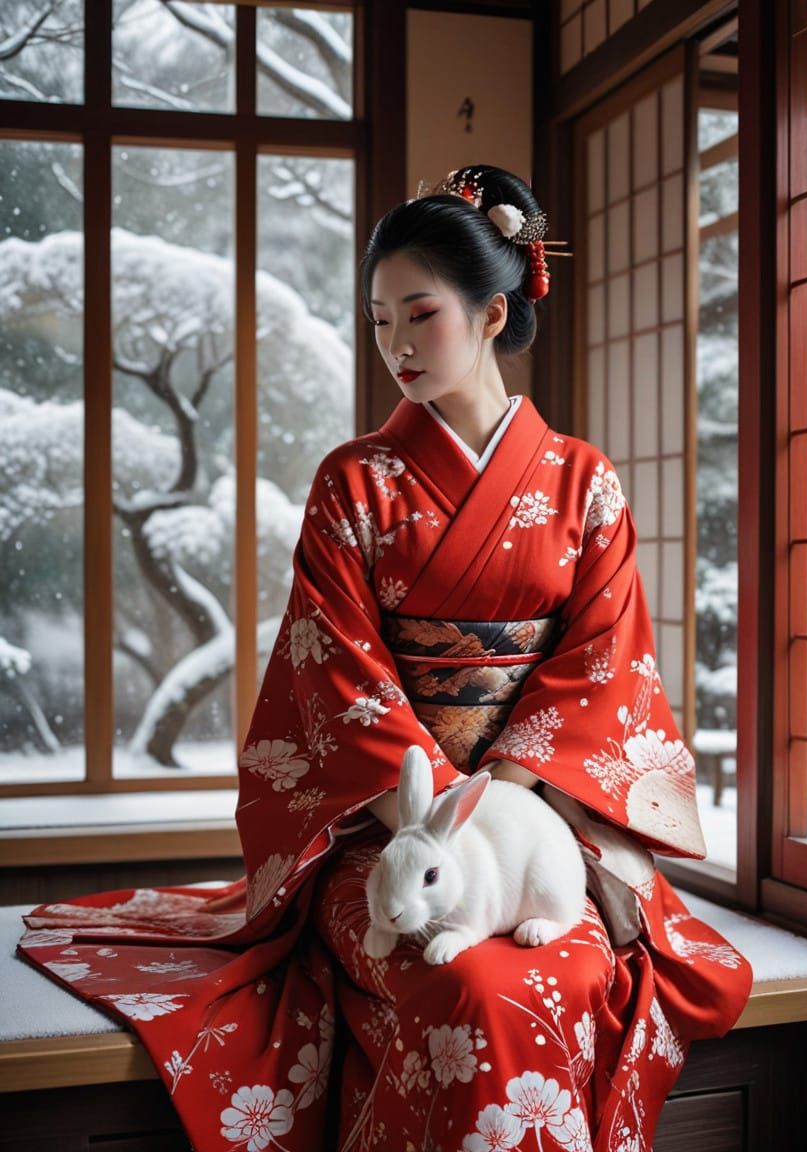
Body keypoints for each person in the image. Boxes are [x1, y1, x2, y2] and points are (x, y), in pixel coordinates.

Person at [18, 165, 752, 1152]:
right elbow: (337, 675)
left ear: (493, 314)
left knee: (564, 968)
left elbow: (600, 670)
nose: (397, 347)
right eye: (377, 323)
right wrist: (431, 821)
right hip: (392, 830)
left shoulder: (583, 481)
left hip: (535, 823)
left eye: (420, 315)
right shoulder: (351, 483)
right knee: (457, 978)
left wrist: (496, 807)